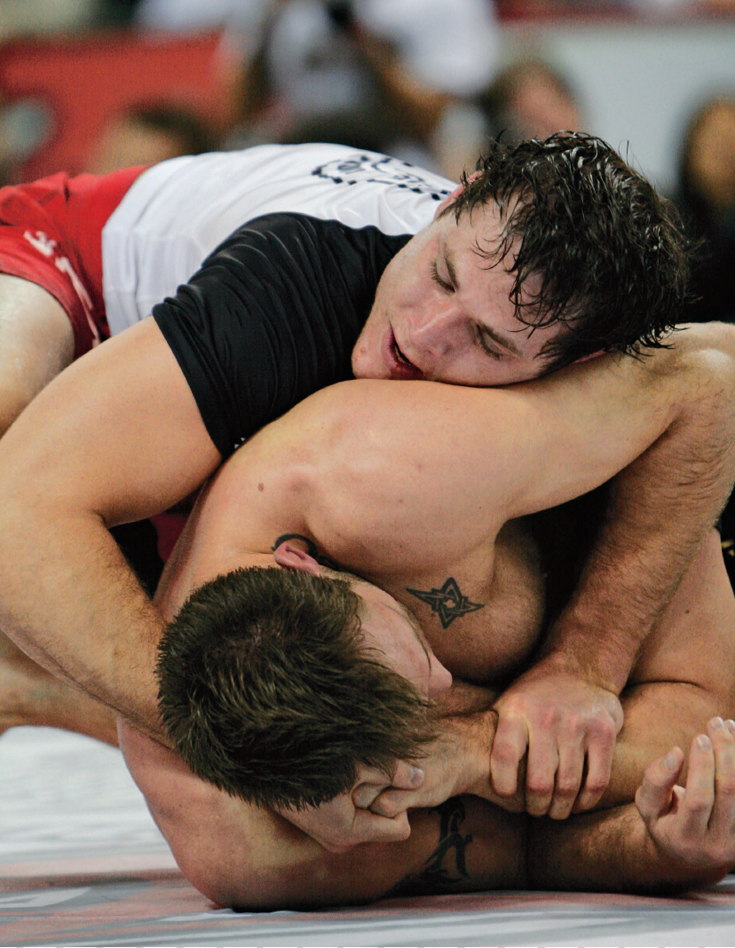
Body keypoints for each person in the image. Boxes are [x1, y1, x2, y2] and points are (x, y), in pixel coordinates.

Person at [0, 133, 701, 821]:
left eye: (486, 342)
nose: (423, 334)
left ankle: (29, 687)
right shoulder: (294, 283)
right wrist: (252, 748)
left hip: (217, 421)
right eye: (440, 274)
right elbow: (18, 512)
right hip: (65, 263)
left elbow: (711, 381)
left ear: (578, 371)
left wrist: (584, 665)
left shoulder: (592, 375)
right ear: (446, 206)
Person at [111, 319, 735, 908]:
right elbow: (524, 853)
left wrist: (577, 667)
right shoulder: (254, 852)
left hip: (690, 471)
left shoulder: (377, 471)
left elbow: (705, 386)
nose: (443, 682)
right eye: (423, 714)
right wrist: (654, 850)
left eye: (413, 668)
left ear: (305, 564)